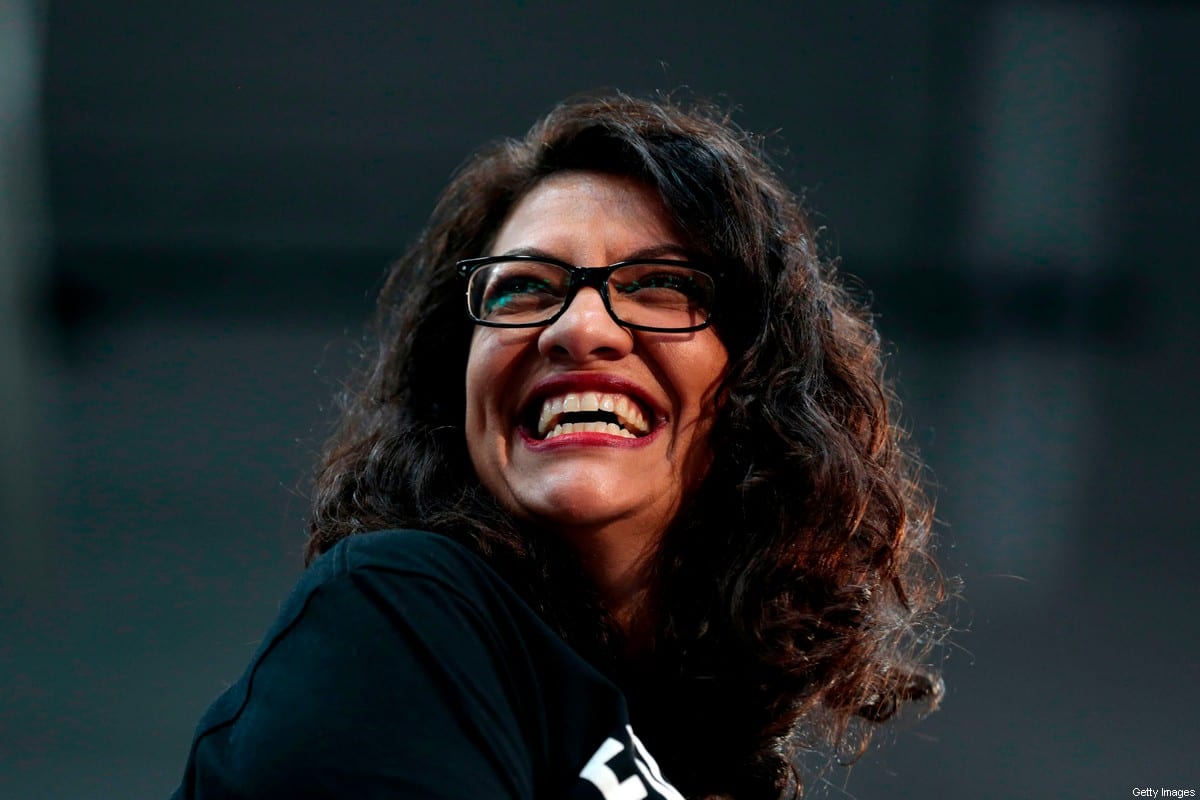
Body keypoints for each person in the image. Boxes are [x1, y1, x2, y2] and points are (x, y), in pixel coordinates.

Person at [173, 93, 944, 800]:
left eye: (660, 284)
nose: (579, 327)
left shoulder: (719, 767)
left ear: (761, 388)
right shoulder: (402, 608)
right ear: (458, 385)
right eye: (522, 289)